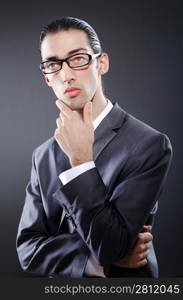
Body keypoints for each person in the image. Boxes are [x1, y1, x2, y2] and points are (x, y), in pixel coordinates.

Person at [16, 17, 172, 278]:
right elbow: (27, 249)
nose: (66, 75)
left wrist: (81, 161)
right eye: (53, 64)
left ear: (102, 63)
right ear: (46, 77)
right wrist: (93, 260)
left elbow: (110, 246)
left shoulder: (149, 145)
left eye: (78, 58)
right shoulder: (42, 156)